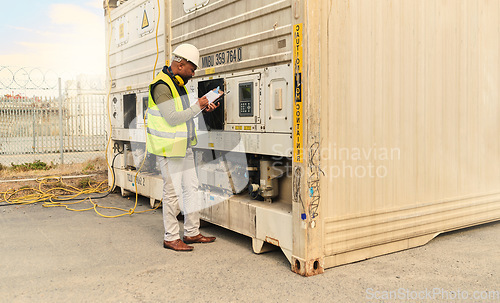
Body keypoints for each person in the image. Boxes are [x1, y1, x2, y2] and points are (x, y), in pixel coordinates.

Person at [146, 43, 219, 251]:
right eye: (192, 69)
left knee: (191, 189)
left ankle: (191, 232)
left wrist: (202, 108)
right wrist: (198, 105)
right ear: (180, 64)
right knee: (172, 193)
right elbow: (172, 118)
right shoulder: (161, 86)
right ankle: (170, 237)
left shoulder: (178, 85)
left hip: (183, 147)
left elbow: (186, 114)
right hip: (169, 149)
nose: (193, 74)